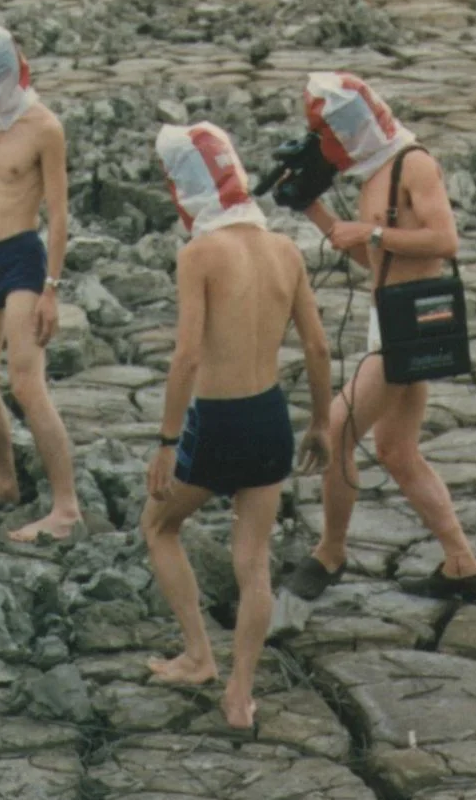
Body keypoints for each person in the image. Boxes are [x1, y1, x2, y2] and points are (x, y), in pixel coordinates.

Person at [140, 124, 332, 730]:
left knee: (159, 526)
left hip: (217, 420)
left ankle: (199, 655)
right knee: (254, 562)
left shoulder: (199, 254)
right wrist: (322, 422)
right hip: (269, 416)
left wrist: (167, 442)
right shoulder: (285, 250)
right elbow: (318, 348)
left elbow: (187, 356)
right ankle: (241, 694)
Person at [280, 73, 476, 603]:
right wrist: (313, 208)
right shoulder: (374, 174)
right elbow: (373, 258)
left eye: (329, 135)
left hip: (409, 325)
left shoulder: (412, 163)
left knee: (336, 431)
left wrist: (369, 231)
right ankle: (462, 566)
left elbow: (445, 240)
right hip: (391, 317)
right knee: (396, 450)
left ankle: (330, 553)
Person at [0, 21, 83, 543]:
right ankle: (5, 482)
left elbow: (60, 214)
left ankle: (66, 506)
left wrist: (52, 288)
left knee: (26, 383)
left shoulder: (45, 128)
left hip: (22, 259)